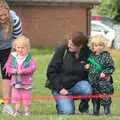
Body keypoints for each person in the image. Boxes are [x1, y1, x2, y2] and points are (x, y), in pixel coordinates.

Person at [46, 31, 92, 115]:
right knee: (68, 112)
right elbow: (51, 72)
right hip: (61, 88)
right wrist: (60, 89)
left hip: (76, 86)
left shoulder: (87, 53)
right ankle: (62, 103)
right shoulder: (62, 50)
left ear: (80, 46)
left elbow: (94, 70)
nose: (69, 46)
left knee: (87, 89)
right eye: (69, 43)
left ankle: (83, 107)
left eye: (72, 45)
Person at [0, 0, 22, 115]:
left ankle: (7, 105)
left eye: (5, 14)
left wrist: (9, 60)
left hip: (9, 47)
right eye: (0, 16)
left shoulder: (15, 20)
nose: (3, 18)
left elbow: (17, 41)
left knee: (7, 72)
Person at [6, 35, 36, 116]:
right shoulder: (12, 57)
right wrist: (12, 70)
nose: (20, 49)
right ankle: (17, 111)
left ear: (27, 48)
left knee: (26, 97)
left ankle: (27, 111)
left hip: (26, 83)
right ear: (15, 47)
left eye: (23, 48)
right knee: (16, 97)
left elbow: (32, 68)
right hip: (15, 83)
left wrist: (22, 71)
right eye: (18, 47)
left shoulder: (29, 58)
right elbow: (8, 67)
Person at [85, 35, 115, 116]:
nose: (98, 47)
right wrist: (87, 67)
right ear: (93, 47)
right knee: (95, 97)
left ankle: (107, 110)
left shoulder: (106, 56)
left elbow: (111, 67)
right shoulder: (91, 57)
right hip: (93, 81)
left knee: (105, 96)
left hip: (104, 82)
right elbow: (91, 68)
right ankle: (95, 111)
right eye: (96, 45)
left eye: (100, 45)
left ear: (104, 46)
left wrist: (105, 73)